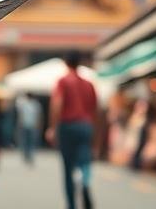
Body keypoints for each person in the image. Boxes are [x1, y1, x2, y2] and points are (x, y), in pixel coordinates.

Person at [47, 53, 98, 209]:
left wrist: (52, 128)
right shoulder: (89, 84)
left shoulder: (63, 81)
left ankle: (71, 205)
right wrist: (95, 134)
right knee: (84, 161)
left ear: (65, 63)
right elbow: (96, 110)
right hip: (86, 126)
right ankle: (84, 180)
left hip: (68, 126)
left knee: (68, 167)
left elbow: (57, 104)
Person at [15, 93, 42, 166]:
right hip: (26, 125)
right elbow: (21, 115)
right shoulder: (25, 104)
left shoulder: (35, 104)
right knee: (26, 141)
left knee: (30, 141)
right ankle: (27, 156)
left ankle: (29, 156)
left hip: (31, 125)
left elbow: (38, 115)